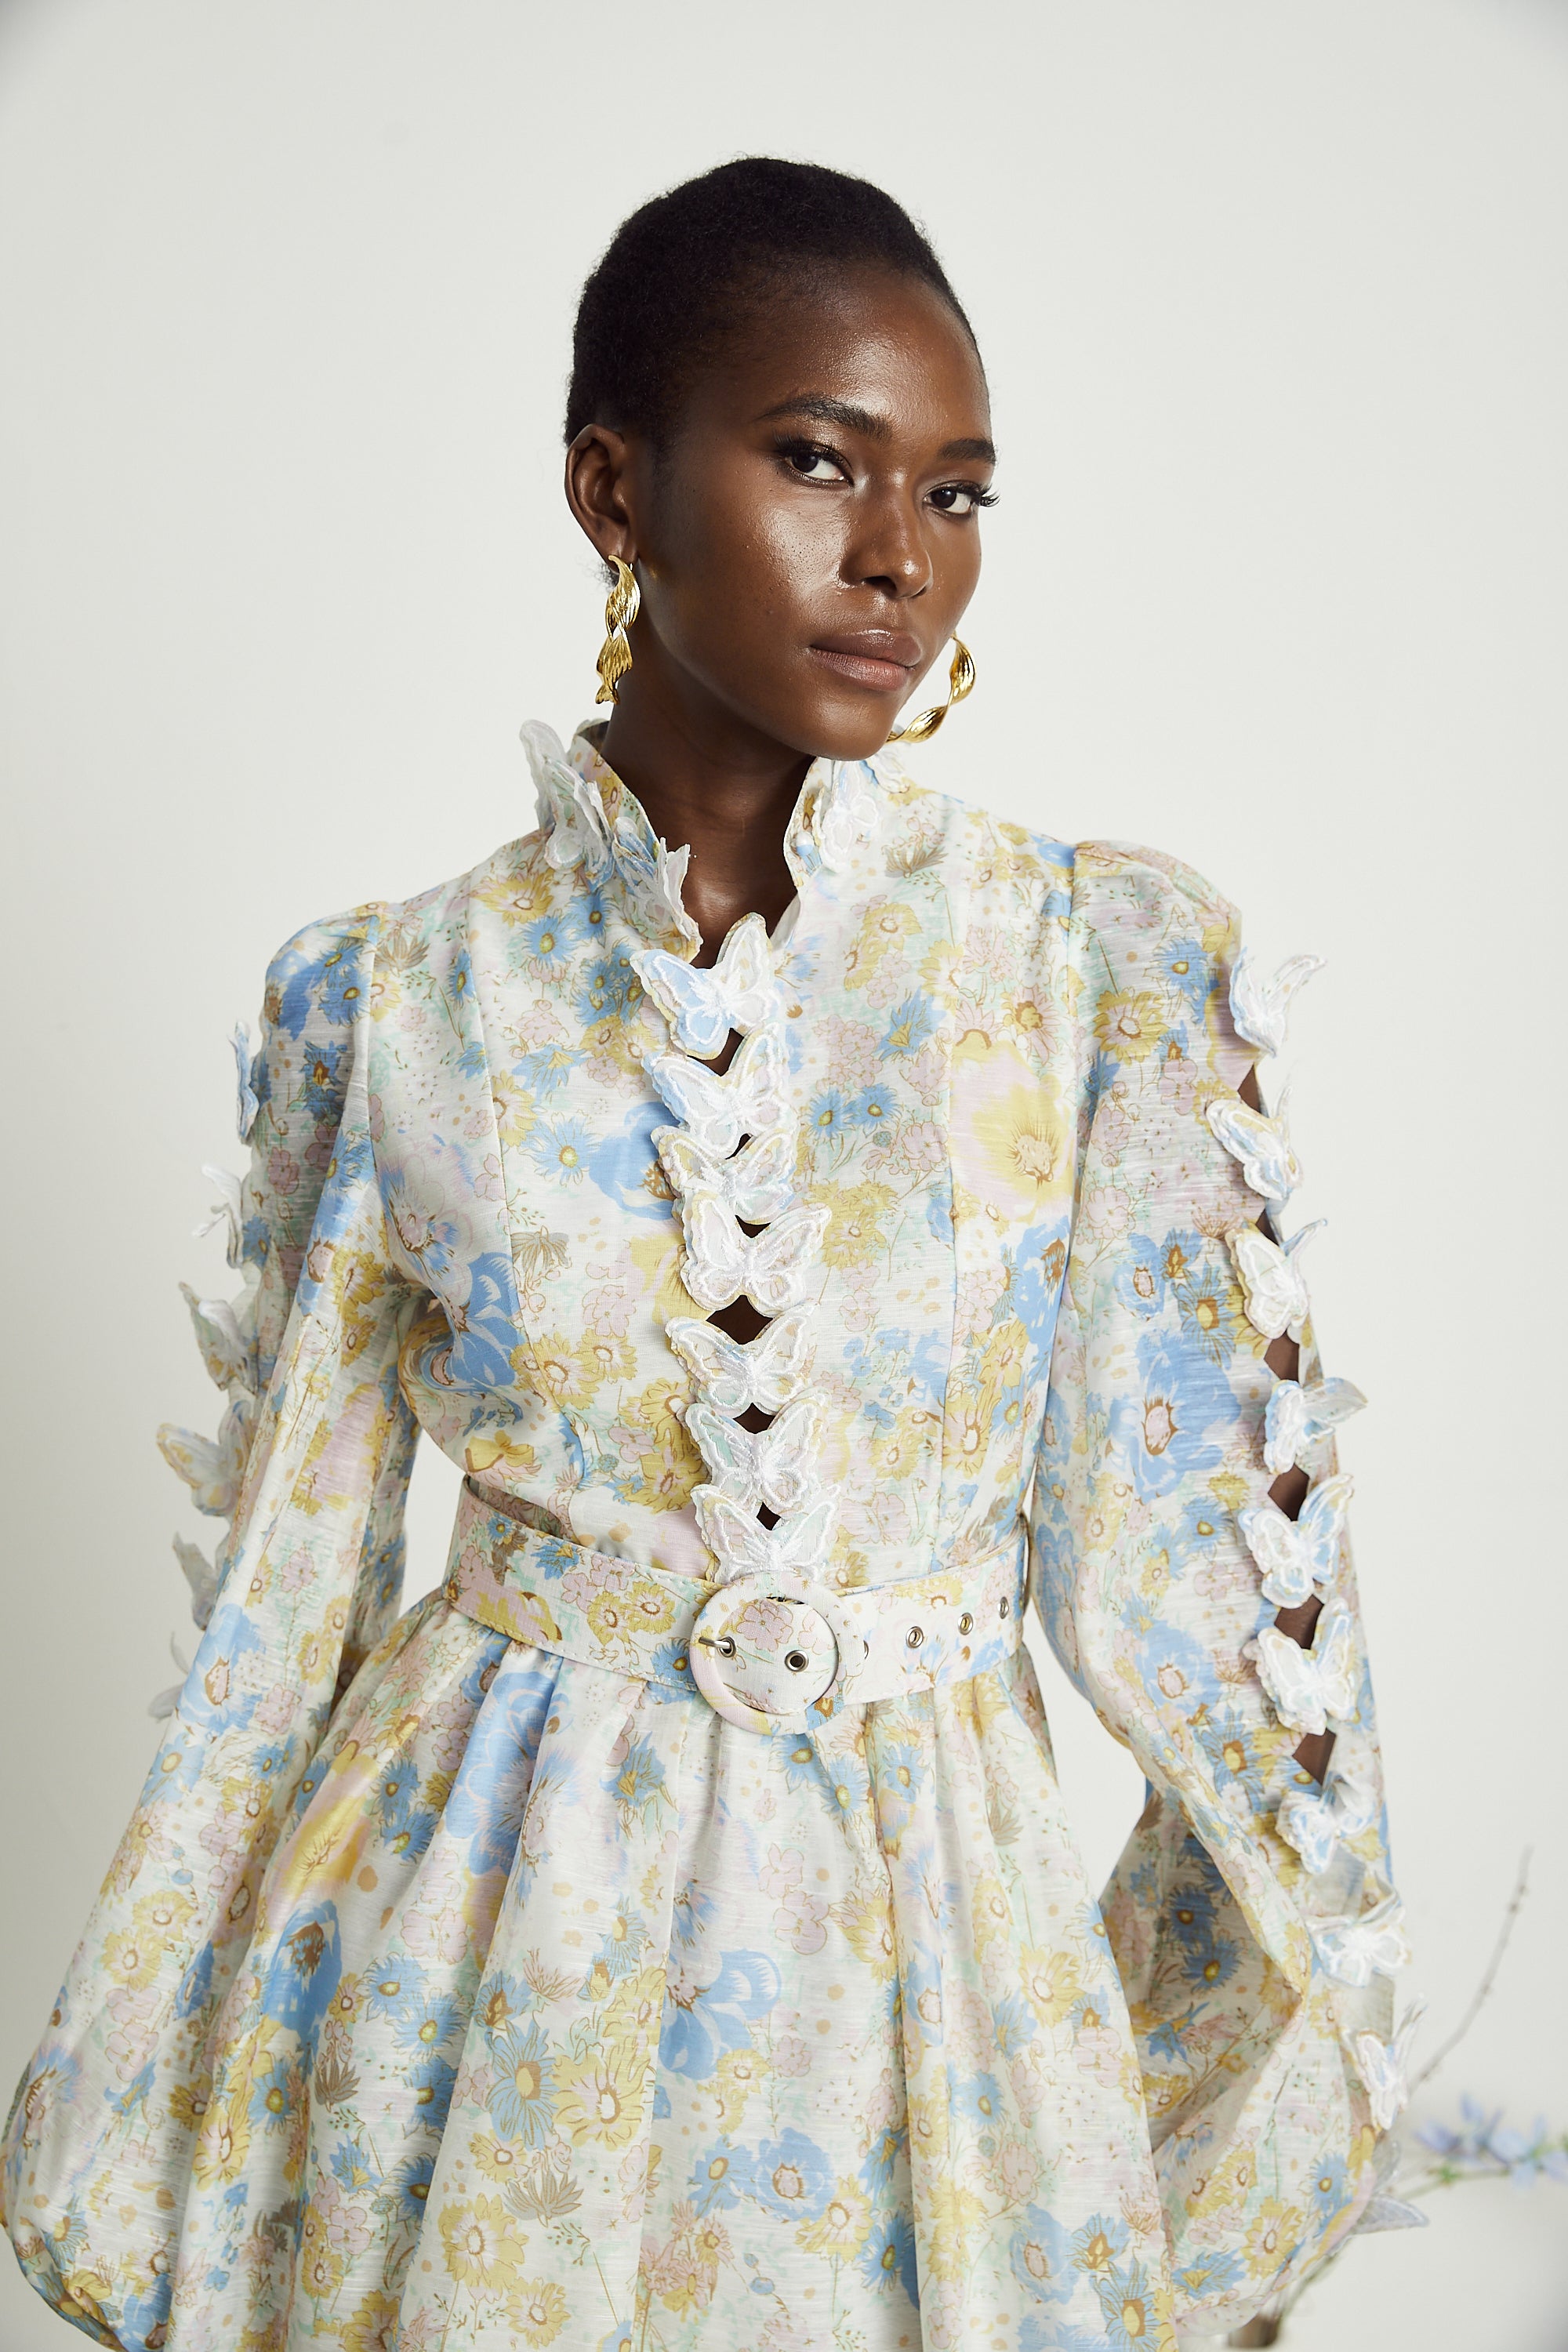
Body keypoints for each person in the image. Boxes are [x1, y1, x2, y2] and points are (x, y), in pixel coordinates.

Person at [2, 158, 1402, 2352]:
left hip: (937, 1997)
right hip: (469, 1990)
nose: (899, 555)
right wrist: (150, 2101)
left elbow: (1208, 1622)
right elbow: (283, 1618)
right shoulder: (391, 1001)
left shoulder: (1095, 968)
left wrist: (1211, 2122)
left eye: (957, 492)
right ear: (614, 491)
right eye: (820, 461)